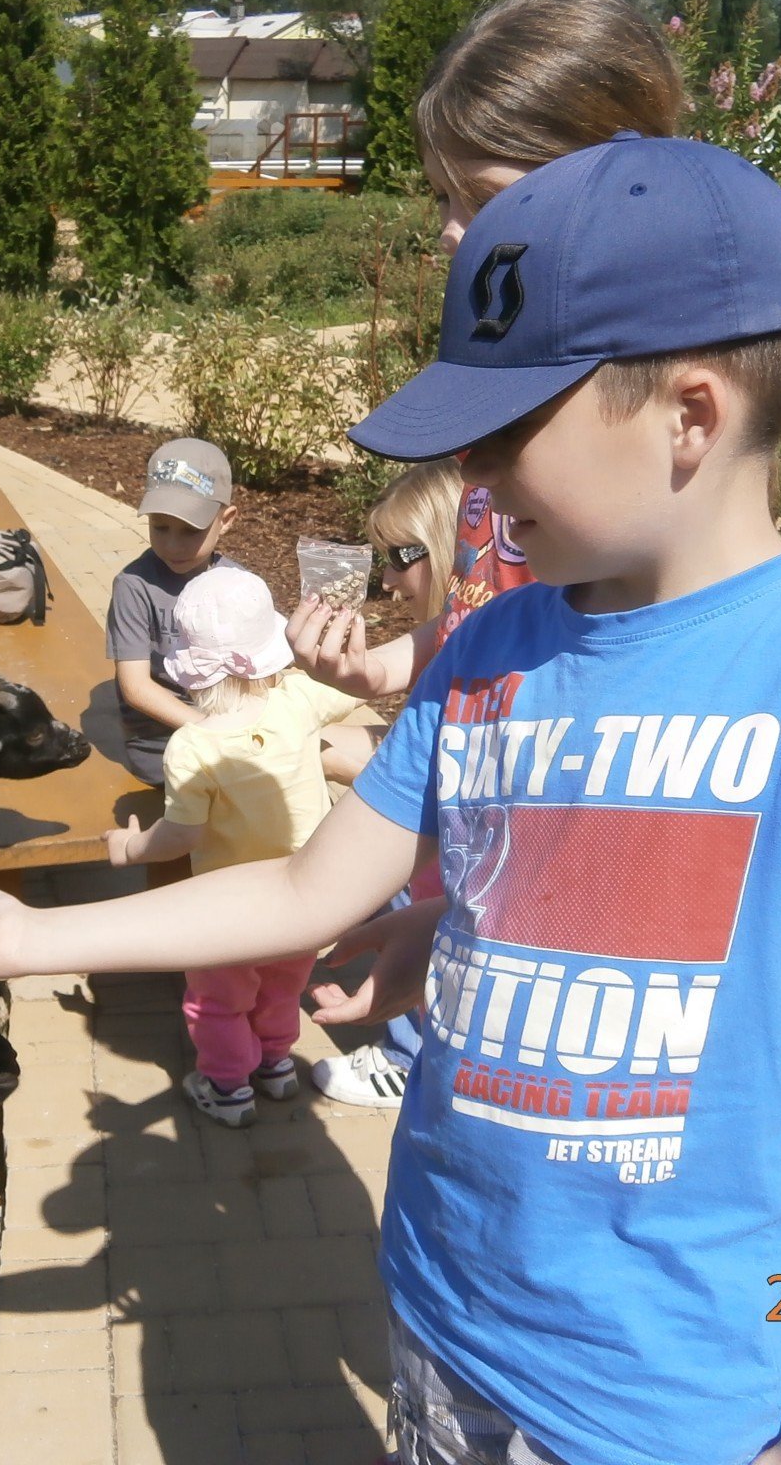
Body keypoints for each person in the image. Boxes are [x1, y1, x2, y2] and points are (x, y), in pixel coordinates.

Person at [0, 136, 781, 1465]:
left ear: (690, 418)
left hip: (661, 1408)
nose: (473, 478)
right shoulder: (488, 654)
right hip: (440, 1315)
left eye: (507, 431)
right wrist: (24, 940)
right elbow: (312, 885)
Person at [302, 0, 687, 1111]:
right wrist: (376, 673)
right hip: (477, 875)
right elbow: (475, 640)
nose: (451, 233)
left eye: (477, 195)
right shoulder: (498, 472)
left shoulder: (612, 470)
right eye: (441, 197)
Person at [101, 565, 358, 1128]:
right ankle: (275, 1065)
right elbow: (349, 685)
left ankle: (227, 1086)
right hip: (301, 899)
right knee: (283, 987)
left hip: (228, 910)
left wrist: (130, 848)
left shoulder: (193, 745)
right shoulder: (297, 700)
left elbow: (180, 837)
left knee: (218, 999)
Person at [312, 459, 464, 1110]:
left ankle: (406, 1059)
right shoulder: (456, 620)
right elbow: (375, 677)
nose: (390, 579)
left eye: (402, 556)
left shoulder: (490, 620)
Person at [106, 437, 243, 787]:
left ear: (226, 520)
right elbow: (136, 688)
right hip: (161, 739)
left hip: (228, 723)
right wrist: (214, 731)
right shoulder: (134, 586)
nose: (172, 545)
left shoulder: (239, 583)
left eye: (190, 530)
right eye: (160, 527)